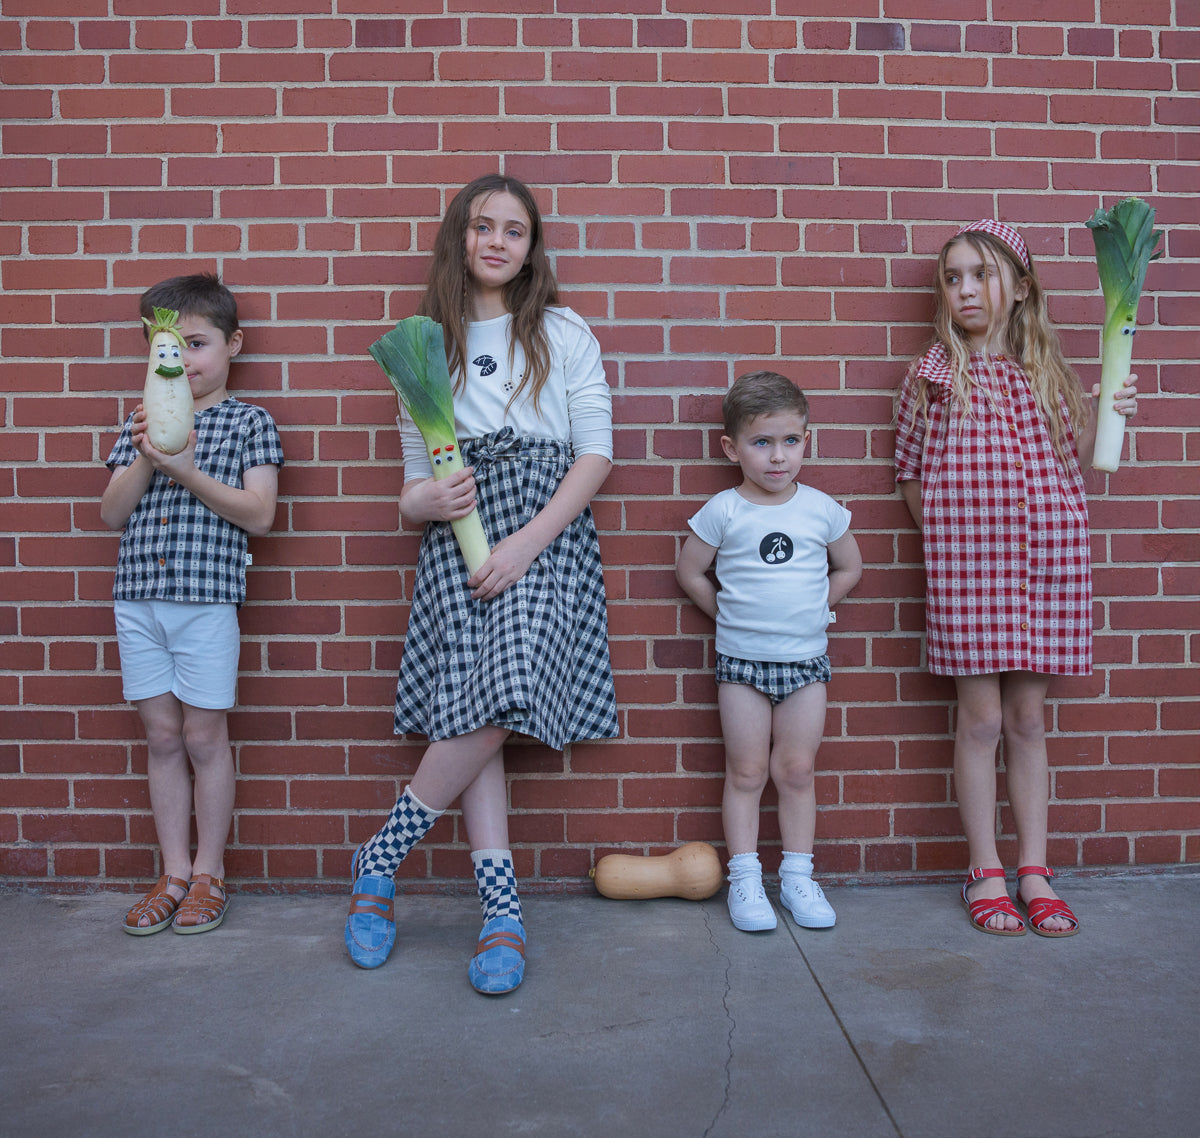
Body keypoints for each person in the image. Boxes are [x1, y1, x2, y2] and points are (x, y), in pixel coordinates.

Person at [346, 173, 618, 993]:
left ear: (533, 248)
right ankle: (501, 910)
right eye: (481, 226)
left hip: (543, 534)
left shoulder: (563, 332)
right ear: (457, 238)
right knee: (478, 708)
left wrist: (530, 544)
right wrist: (427, 500)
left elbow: (596, 455)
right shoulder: (425, 347)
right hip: (458, 542)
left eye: (514, 230)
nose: (496, 241)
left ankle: (381, 856)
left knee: (502, 695)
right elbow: (407, 489)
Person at [894, 219, 1140, 938]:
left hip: (1047, 563)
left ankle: (1034, 870)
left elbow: (1082, 459)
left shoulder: (1048, 372)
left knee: (1028, 720)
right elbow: (910, 474)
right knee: (983, 720)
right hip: (969, 568)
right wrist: (949, 536)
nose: (965, 288)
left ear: (1022, 288)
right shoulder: (935, 374)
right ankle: (986, 869)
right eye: (953, 277)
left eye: (983, 274)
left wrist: (1111, 410)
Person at [101, 273, 283, 935]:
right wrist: (152, 455)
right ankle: (173, 870)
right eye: (168, 349)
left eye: (198, 344)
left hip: (205, 603)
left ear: (233, 344)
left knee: (204, 738)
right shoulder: (142, 419)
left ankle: (210, 871)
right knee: (161, 736)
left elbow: (259, 515)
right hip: (139, 600)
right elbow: (112, 512)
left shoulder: (248, 422)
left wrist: (187, 469)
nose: (185, 362)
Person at [675, 372, 862, 932]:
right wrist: (729, 616)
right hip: (741, 665)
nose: (777, 458)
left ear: (808, 440)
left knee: (797, 769)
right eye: (761, 443)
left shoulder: (821, 510)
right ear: (732, 448)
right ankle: (746, 878)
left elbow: (851, 566)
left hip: (806, 662)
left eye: (790, 441)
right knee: (748, 770)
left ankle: (799, 878)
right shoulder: (724, 511)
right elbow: (690, 572)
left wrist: (818, 606)